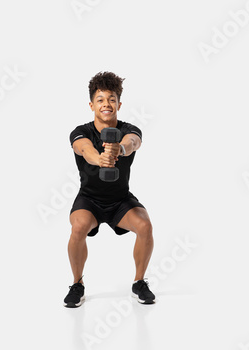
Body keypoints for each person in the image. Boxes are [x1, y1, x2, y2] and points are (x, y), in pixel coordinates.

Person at [64, 71, 155, 307]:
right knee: (79, 227)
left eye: (112, 99)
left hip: (120, 200)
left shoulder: (128, 129)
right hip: (90, 200)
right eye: (101, 99)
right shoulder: (81, 131)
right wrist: (100, 159)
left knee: (145, 225)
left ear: (119, 104)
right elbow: (83, 149)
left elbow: (133, 142)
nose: (107, 104)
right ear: (92, 104)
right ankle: (77, 284)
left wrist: (120, 150)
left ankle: (139, 282)